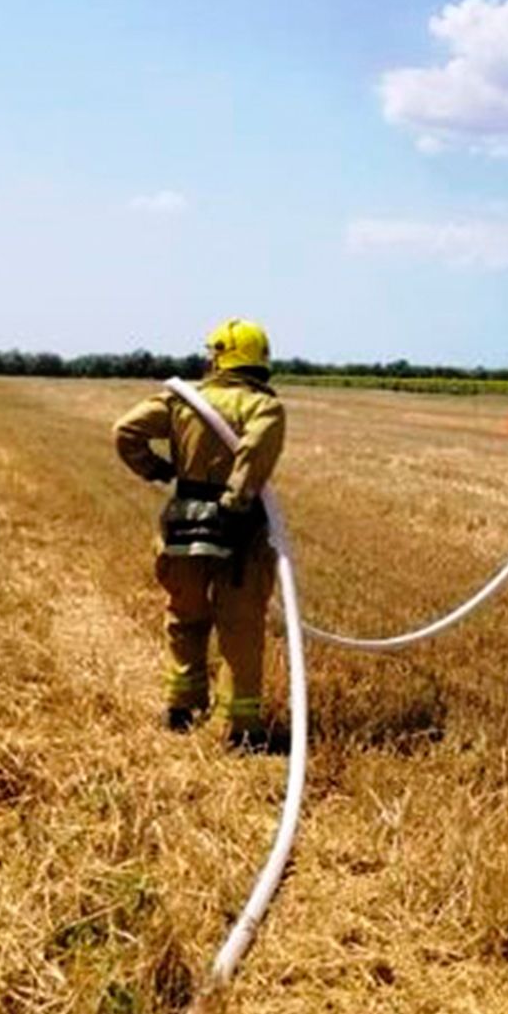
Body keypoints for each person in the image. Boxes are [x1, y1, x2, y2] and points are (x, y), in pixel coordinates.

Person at [113, 319, 287, 747]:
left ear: (219, 355)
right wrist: (235, 502)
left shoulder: (182, 400)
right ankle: (240, 728)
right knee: (240, 627)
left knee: (185, 617)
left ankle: (181, 709)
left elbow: (125, 431)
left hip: (183, 523)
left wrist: (157, 469)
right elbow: (254, 451)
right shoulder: (263, 406)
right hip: (240, 531)